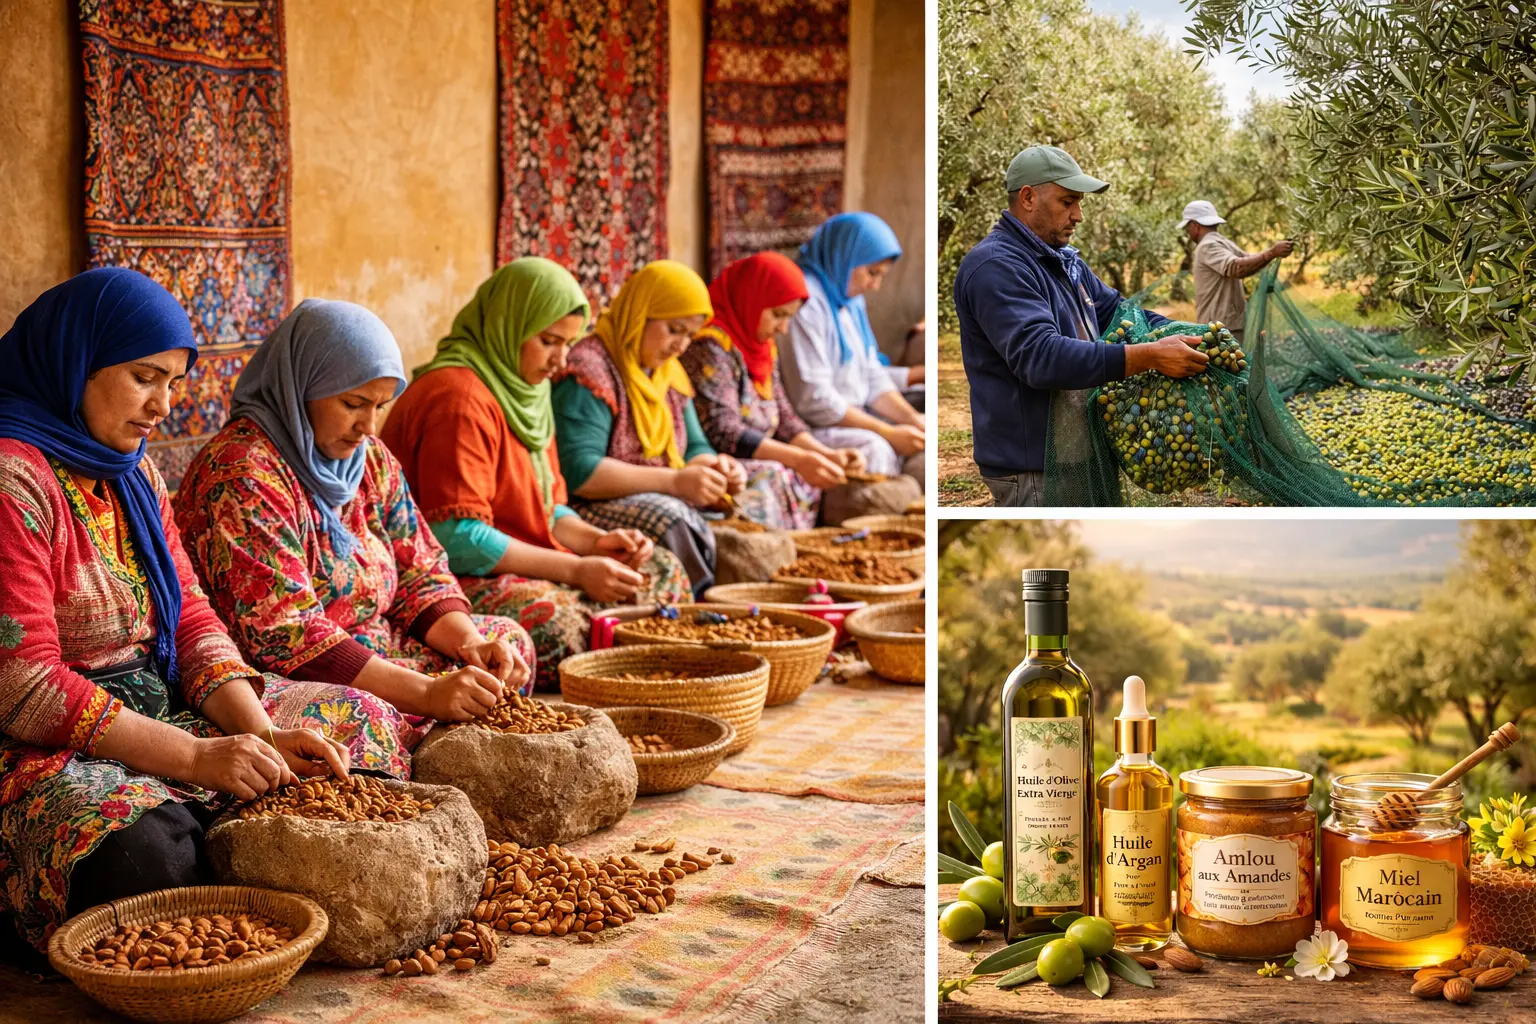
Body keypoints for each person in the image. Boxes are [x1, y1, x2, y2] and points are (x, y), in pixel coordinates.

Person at [0, 268, 370, 955]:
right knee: (145, 853)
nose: (163, 405)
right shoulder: (13, 479)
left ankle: (234, 851)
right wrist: (198, 757)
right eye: (144, 377)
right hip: (41, 741)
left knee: (359, 728)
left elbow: (190, 617)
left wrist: (261, 735)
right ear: (74, 363)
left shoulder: (133, 473)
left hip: (159, 698)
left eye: (173, 382)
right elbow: (25, 686)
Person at [175, 299, 534, 744]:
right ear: (300, 388)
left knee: (504, 645)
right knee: (364, 719)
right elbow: (286, 635)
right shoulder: (241, 475)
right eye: (353, 403)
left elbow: (420, 571)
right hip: (274, 676)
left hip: (374, 647)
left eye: (379, 407)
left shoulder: (369, 461)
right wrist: (426, 694)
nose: (369, 426)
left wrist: (470, 644)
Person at [379, 258, 691, 690]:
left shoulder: (528, 390)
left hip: (523, 558)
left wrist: (596, 543)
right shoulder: (459, 398)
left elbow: (548, 509)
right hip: (447, 576)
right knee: (558, 621)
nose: (561, 360)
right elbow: (457, 538)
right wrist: (576, 570)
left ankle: (647, 677)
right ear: (508, 324)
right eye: (548, 341)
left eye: (569, 343)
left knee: (661, 570)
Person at [953, 145, 1210, 507]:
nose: (1078, 215)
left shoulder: (1063, 262)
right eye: (1068, 201)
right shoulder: (996, 266)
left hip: (1076, 456)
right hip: (1035, 469)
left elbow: (1122, 314)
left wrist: (1199, 337)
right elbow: (1041, 357)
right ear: (1028, 198)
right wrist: (1150, 356)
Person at [551, 260, 746, 596]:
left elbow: (694, 447)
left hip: (659, 488)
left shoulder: (667, 372)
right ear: (640, 314)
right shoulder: (589, 369)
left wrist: (716, 468)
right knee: (671, 517)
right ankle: (700, 606)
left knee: (750, 500)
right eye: (674, 330)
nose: (680, 346)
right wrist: (674, 482)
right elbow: (580, 471)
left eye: (690, 335)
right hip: (587, 506)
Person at [682, 251, 868, 528]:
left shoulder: (762, 348)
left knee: (806, 471)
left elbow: (784, 415)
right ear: (751, 298)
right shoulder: (710, 347)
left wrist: (824, 454)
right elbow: (725, 432)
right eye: (778, 315)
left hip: (762, 454)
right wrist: (799, 460)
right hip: (722, 462)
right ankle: (773, 551)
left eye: (789, 318)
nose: (783, 328)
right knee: (775, 474)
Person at [779, 212, 927, 487]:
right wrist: (887, 432)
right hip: (817, 426)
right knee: (876, 448)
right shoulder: (806, 303)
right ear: (844, 257)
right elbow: (814, 400)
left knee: (923, 419)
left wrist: (912, 419)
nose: (875, 286)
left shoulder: (848, 300)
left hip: (855, 414)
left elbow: (872, 374)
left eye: (880, 276)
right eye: (872, 273)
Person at [1181, 200, 1293, 343]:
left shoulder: (1207, 246)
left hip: (1218, 328)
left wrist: (1271, 253)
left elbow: (1237, 267)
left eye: (1187, 226)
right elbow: (1248, 261)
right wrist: (1271, 253)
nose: (1188, 231)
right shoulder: (1223, 242)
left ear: (1195, 225)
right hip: (1230, 324)